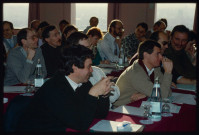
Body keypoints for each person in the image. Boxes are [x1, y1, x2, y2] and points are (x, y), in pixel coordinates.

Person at [16, 45, 114, 132]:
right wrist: (93, 94)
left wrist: (104, 95)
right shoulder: (54, 89)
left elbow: (100, 114)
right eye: (89, 67)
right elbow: (81, 125)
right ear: (74, 67)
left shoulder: (83, 83)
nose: (91, 70)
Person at [66, 31, 120, 108]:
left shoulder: (96, 71)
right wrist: (98, 92)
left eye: (91, 47)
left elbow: (115, 94)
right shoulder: (73, 77)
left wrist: (104, 93)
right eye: (86, 48)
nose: (90, 50)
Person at [113, 40, 173, 107]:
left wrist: (145, 95)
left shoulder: (155, 69)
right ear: (146, 55)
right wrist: (168, 72)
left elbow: (168, 91)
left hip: (138, 105)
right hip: (121, 109)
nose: (161, 57)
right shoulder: (136, 73)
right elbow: (163, 95)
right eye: (157, 54)